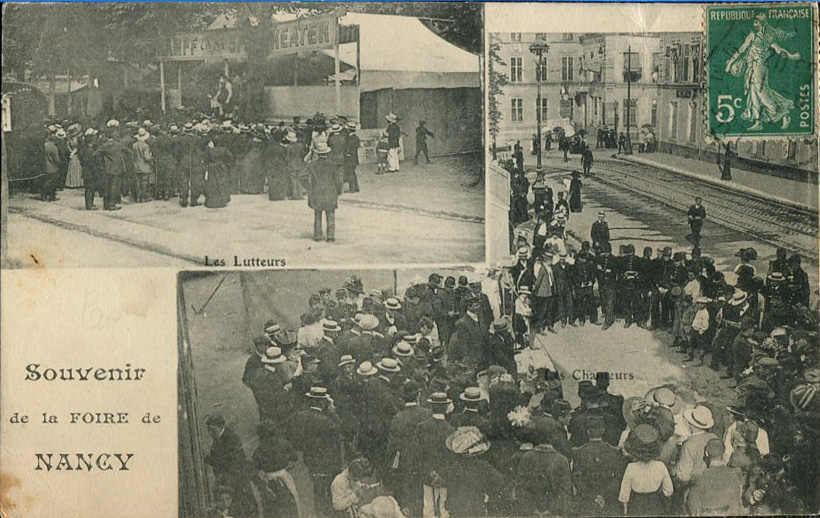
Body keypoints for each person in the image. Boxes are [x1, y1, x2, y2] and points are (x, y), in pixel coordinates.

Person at [725, 13, 801, 132]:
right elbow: (742, 50)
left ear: (762, 24)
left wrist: (792, 57)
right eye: (754, 22)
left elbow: (778, 49)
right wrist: (730, 63)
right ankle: (758, 122)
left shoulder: (766, 36)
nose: (754, 24)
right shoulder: (754, 35)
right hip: (752, 67)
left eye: (757, 22)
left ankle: (782, 113)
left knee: (762, 94)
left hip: (759, 67)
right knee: (754, 94)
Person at [286, 387, 343, 516]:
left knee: (317, 485)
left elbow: (291, 435)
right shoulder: (326, 420)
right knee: (330, 485)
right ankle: (329, 509)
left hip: (311, 458)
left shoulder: (301, 415)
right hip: (328, 459)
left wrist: (303, 446)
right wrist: (333, 411)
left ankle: (319, 510)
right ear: (322, 402)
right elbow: (340, 429)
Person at [619, 424, 674, 516]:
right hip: (656, 504)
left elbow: (624, 495)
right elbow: (669, 491)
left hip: (637, 506)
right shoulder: (660, 466)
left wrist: (625, 512)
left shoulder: (631, 468)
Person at [686, 438, 744, 515]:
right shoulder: (733, 476)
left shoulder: (700, 477)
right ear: (723, 454)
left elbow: (692, 506)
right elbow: (736, 506)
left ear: (706, 453)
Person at [307, 141, 339, 242]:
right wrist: (338, 190)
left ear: (317, 153)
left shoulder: (312, 165)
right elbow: (338, 180)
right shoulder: (333, 165)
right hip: (330, 191)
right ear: (327, 153)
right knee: (330, 214)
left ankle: (318, 235)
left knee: (318, 214)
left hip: (317, 191)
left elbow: (302, 177)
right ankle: (330, 236)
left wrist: (310, 187)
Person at [204, 136, 234, 209]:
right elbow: (231, 157)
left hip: (212, 168)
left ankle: (212, 201)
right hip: (222, 168)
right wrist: (226, 164)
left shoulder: (210, 150)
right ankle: (222, 201)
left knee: (212, 184)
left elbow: (205, 159)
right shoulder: (224, 149)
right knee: (222, 184)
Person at [41, 129, 64, 202]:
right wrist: (60, 163)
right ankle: (52, 197)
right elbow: (56, 159)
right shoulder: (54, 147)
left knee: (46, 182)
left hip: (46, 166)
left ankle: (44, 196)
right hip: (53, 167)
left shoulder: (45, 145)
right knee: (53, 183)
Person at [344, 122, 361, 193]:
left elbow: (347, 148)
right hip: (354, 157)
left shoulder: (349, 139)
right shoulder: (356, 138)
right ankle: (356, 187)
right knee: (352, 172)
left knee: (349, 173)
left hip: (349, 157)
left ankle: (352, 188)